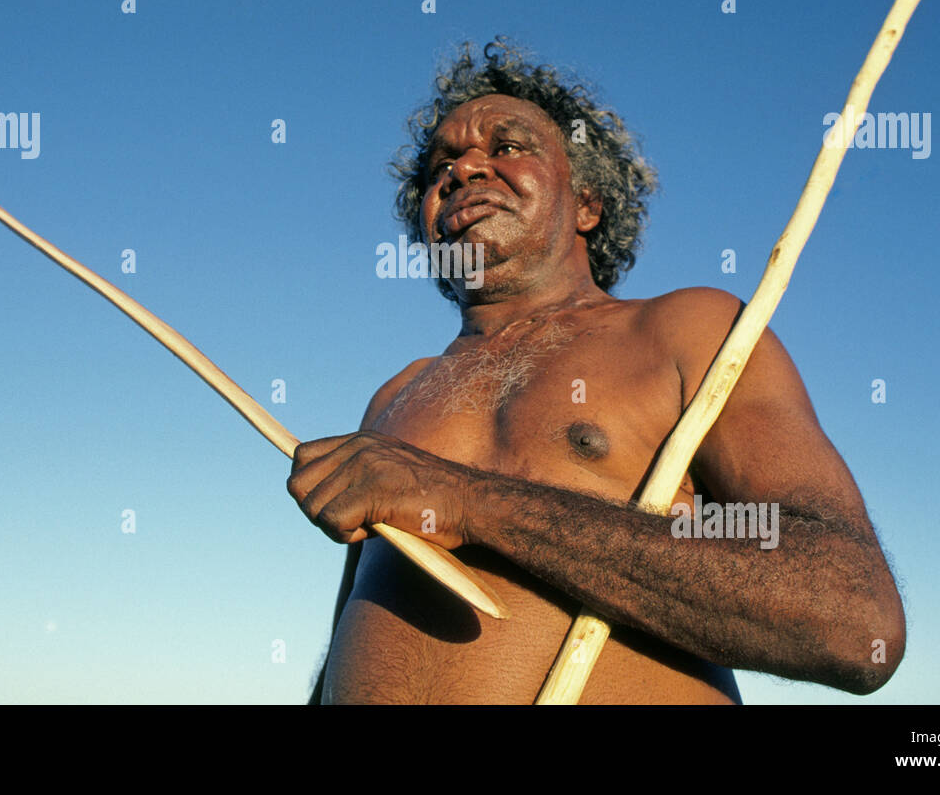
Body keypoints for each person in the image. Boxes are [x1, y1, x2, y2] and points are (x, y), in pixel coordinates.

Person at [289, 39, 906, 704]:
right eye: (441, 161)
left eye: (506, 147)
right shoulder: (395, 395)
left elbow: (851, 615)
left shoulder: (690, 331)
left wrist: (467, 501)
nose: (464, 167)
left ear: (588, 203)